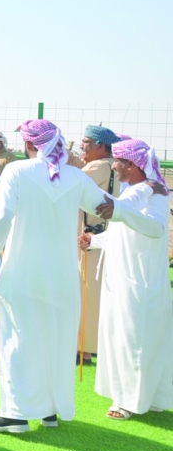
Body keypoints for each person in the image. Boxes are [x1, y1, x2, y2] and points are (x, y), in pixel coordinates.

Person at [0, 119, 109, 433]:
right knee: (54, 341)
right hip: (63, 280)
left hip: (22, 275)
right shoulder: (76, 177)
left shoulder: (17, 171)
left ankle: (16, 415)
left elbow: (2, 218)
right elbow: (108, 207)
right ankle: (48, 411)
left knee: (17, 340)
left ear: (30, 144)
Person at [81, 139, 172, 420]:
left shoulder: (156, 194)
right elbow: (122, 232)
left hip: (140, 280)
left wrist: (120, 211)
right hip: (119, 279)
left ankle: (128, 402)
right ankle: (144, 397)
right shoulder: (134, 191)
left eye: (118, 162)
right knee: (120, 338)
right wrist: (94, 241)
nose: (113, 167)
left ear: (131, 165)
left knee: (135, 340)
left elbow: (157, 228)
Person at [68, 124, 122, 365]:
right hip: (103, 238)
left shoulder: (99, 166)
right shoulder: (110, 166)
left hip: (90, 240)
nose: (82, 146)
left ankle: (85, 349)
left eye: (87, 142)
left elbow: (70, 182)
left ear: (101, 147)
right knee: (95, 292)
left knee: (87, 292)